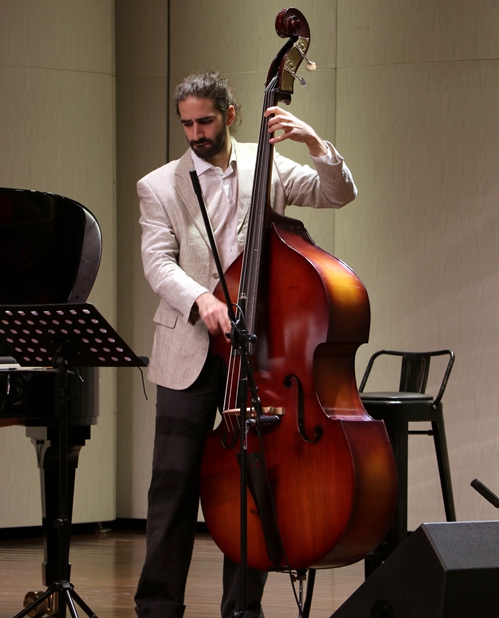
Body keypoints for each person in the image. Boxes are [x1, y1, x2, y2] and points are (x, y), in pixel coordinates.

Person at [134, 71, 357, 618]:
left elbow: (338, 193)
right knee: (173, 486)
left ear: (230, 115)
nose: (196, 133)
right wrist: (201, 300)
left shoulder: (268, 164)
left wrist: (314, 142)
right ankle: (158, 607)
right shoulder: (158, 185)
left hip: (258, 352)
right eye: (187, 124)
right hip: (189, 348)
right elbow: (157, 262)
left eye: (205, 121)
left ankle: (242, 609)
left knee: (254, 480)